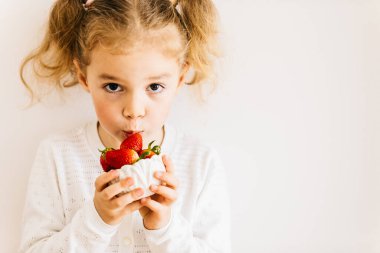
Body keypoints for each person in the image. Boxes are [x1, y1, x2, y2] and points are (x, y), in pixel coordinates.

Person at [18, 0, 230, 252]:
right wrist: (96, 221)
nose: (134, 111)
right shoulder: (57, 156)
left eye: (154, 87)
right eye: (113, 87)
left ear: (180, 77)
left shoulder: (200, 162)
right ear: (84, 76)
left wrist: (165, 228)